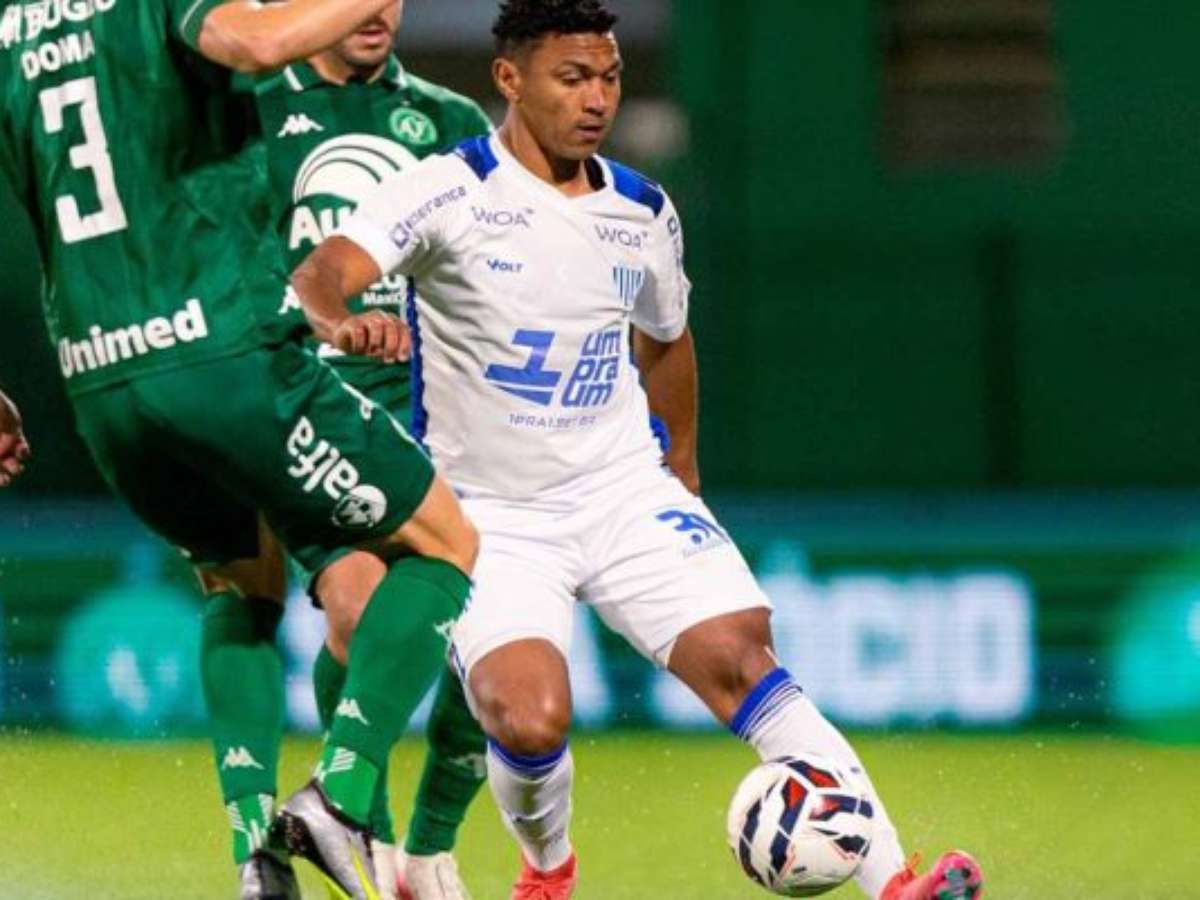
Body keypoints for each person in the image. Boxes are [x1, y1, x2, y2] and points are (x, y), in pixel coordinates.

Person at [287, 1, 987, 898]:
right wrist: (342, 321)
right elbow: (322, 273)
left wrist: (680, 474)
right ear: (510, 79)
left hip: (621, 493)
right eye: (572, 78)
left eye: (610, 78)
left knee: (743, 657)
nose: (597, 100)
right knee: (529, 718)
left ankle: (895, 883)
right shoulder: (446, 190)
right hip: (489, 519)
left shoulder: (642, 210)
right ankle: (548, 871)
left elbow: (667, 341)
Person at [0, 2, 479, 898]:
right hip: (223, 356)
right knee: (446, 542)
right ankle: (340, 799)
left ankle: (255, 856)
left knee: (240, 579)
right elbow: (253, 41)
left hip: (101, 384)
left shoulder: (14, 29)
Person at [253, 6, 493, 897]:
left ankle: (431, 845)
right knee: (356, 612)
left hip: (439, 414)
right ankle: (373, 836)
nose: (379, 10)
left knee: (487, 636)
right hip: (307, 408)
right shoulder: (249, 113)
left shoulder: (448, 120)